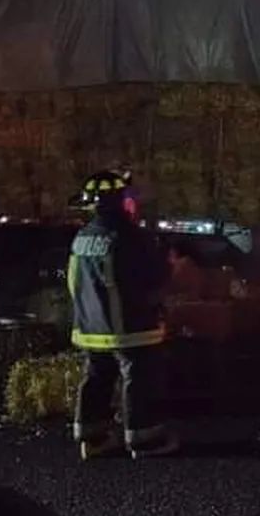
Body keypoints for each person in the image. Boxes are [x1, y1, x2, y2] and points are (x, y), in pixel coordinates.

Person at [67, 169, 178, 460]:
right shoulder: (132, 237)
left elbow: (72, 282)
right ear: (121, 203)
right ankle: (145, 440)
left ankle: (92, 439)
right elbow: (154, 279)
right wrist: (167, 264)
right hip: (130, 327)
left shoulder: (82, 238)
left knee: (95, 378)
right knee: (140, 380)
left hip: (91, 328)